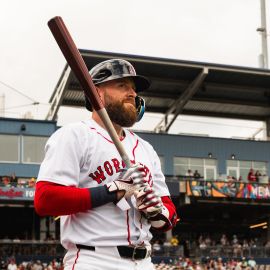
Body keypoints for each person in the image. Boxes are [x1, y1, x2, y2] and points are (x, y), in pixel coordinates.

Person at [34, 59, 178, 270]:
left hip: (145, 261)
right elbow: (46, 200)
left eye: (133, 88)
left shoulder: (146, 148)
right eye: (122, 86)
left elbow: (170, 214)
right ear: (97, 93)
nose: (132, 93)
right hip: (94, 259)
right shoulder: (75, 135)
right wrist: (113, 190)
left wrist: (157, 211)